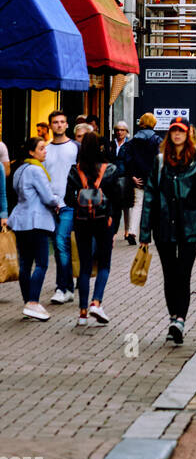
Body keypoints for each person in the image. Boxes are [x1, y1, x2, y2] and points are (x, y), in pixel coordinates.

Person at [139, 117, 196, 344]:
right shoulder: (160, 160)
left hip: (190, 226)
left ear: (187, 134)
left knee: (183, 274)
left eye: (181, 131)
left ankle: (180, 320)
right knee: (169, 274)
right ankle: (173, 316)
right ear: (169, 134)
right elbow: (149, 197)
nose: (177, 135)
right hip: (163, 225)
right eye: (174, 131)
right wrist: (144, 233)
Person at [65, 131, 122, 327]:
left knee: (84, 266)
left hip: (81, 222)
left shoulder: (75, 170)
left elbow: (68, 199)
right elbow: (117, 198)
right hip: (103, 221)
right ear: (99, 147)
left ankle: (82, 313)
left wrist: (83, 196)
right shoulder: (110, 170)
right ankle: (96, 302)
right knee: (104, 264)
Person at [7, 137, 58, 320]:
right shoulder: (37, 170)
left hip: (20, 221)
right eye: (41, 148)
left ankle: (27, 302)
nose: (45, 151)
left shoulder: (19, 169)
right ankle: (33, 302)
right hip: (37, 221)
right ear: (32, 152)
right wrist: (58, 200)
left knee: (25, 264)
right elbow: (47, 197)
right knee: (42, 263)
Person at [43, 110, 78, 305]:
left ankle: (62, 288)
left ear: (66, 125)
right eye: (55, 122)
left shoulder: (75, 147)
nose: (58, 125)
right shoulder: (45, 149)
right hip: (50, 204)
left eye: (62, 122)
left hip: (68, 205)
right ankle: (68, 287)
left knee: (60, 243)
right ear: (50, 125)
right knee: (59, 248)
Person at [125, 113, 162, 246]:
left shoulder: (132, 141)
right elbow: (160, 160)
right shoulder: (157, 140)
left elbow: (128, 160)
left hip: (138, 178)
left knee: (137, 205)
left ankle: (132, 232)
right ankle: (152, 233)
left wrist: (133, 176)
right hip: (152, 178)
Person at [108, 121, 133, 242]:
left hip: (125, 176)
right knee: (114, 205)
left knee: (126, 205)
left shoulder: (129, 145)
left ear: (126, 132)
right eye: (117, 130)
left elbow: (131, 160)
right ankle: (113, 230)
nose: (119, 132)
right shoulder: (111, 144)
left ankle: (127, 230)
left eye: (122, 130)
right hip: (112, 176)